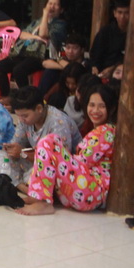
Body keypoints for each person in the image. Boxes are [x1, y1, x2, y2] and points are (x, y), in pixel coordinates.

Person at [17, 84, 117, 215]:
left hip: (92, 191)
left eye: (102, 106)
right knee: (48, 145)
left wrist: (56, 158)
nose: (95, 110)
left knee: (48, 142)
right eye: (92, 105)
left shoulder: (107, 131)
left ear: (111, 108)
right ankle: (39, 197)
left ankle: (43, 201)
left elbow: (83, 162)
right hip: (85, 188)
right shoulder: (98, 130)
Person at [0, 86, 82, 192]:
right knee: (0, 156)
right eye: (19, 116)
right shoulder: (26, 120)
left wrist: (22, 154)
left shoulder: (58, 123)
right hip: (35, 162)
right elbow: (16, 141)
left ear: (39, 109)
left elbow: (59, 161)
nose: (21, 120)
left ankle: (25, 188)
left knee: (34, 176)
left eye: (25, 116)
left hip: (61, 169)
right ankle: (22, 187)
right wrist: (11, 149)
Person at [0, 0, 66, 96]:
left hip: (41, 56)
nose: (51, 7)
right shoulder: (37, 22)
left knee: (19, 70)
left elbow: (43, 34)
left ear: (61, 10)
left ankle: (26, 97)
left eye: (55, 4)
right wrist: (35, 37)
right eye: (50, 3)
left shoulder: (60, 24)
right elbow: (22, 34)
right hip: (24, 52)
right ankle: (6, 96)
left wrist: (45, 15)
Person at [89, 1, 129, 79]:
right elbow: (95, 54)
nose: (122, 16)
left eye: (126, 13)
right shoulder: (105, 32)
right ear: (115, 13)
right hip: (102, 71)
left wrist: (113, 69)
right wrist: (94, 67)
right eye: (120, 12)